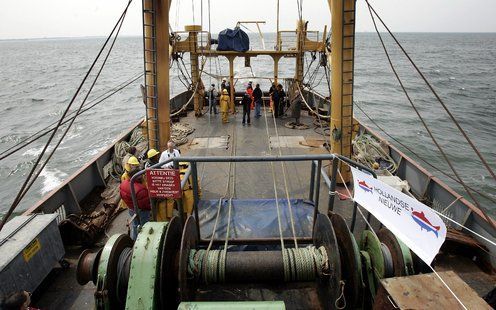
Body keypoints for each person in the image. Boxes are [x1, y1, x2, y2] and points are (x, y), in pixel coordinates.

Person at [120, 169, 150, 240]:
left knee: (135, 225)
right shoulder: (140, 189)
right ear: (138, 177)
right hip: (141, 211)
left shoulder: (123, 184)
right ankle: (144, 240)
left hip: (131, 209)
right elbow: (145, 205)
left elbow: (122, 196)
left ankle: (134, 239)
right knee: (144, 226)